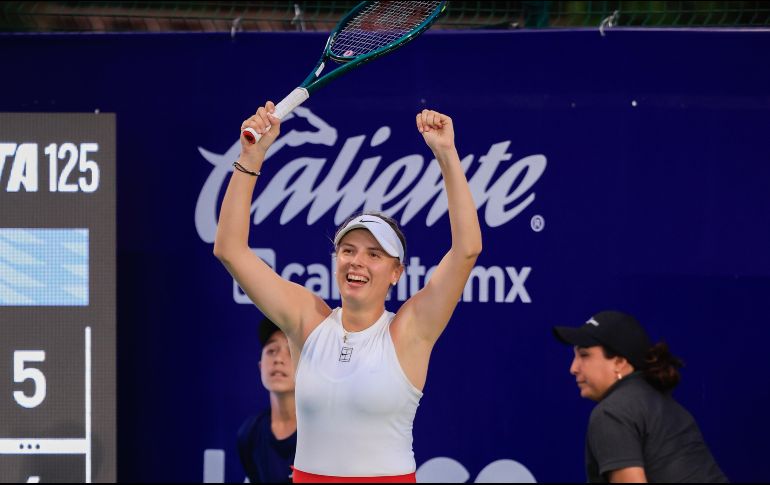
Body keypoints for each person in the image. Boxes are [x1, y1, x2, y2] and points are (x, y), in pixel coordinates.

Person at [214, 102, 482, 482]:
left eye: (374, 254)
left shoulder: (409, 330)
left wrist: (447, 155)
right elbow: (229, 249)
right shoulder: (307, 320)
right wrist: (250, 157)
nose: (357, 262)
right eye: (348, 250)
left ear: (396, 272)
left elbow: (467, 249)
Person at [553, 310, 728, 483]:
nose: (573, 368)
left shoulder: (611, 412)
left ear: (619, 363)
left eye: (584, 355)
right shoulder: (662, 403)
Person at [237, 317, 297, 483]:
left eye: (291, 351)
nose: (278, 359)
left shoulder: (323, 429)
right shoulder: (250, 433)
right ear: (260, 366)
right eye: (271, 350)